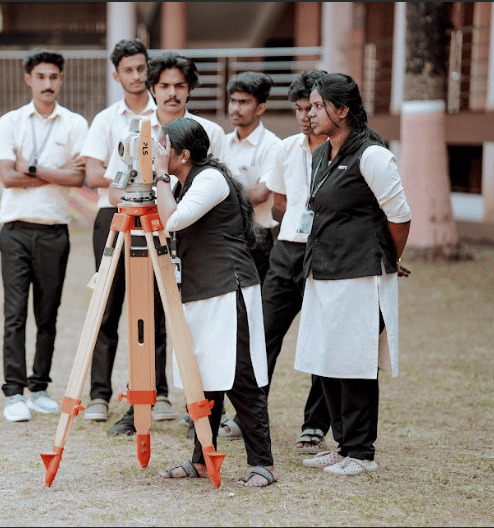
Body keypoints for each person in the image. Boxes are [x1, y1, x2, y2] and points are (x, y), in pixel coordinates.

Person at [104, 51, 226, 436]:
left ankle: (201, 408)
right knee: (143, 321)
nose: (172, 93)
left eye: (179, 86)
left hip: (194, 242)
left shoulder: (210, 132)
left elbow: (219, 188)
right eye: (164, 86)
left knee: (197, 326)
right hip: (145, 238)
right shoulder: (136, 131)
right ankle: (142, 403)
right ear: (152, 88)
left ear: (190, 90)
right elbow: (112, 190)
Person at [295, 73, 411, 475]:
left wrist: (387, 259)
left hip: (359, 274)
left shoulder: (373, 155)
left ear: (342, 110)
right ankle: (343, 444)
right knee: (325, 358)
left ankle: (361, 453)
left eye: (317, 106)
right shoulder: (319, 154)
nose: (309, 114)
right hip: (321, 270)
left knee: (356, 362)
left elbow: (399, 217)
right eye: (308, 106)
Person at [153, 118, 277, 487]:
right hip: (202, 290)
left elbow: (171, 220)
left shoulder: (209, 179)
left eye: (164, 146)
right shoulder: (187, 180)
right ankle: (203, 459)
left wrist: (159, 175)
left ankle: (264, 464)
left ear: (184, 154)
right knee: (204, 376)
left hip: (229, 289)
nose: (158, 152)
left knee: (241, 377)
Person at [79, 38, 173, 426]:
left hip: (156, 216)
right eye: (129, 70)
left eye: (141, 68)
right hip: (113, 216)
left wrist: (129, 175)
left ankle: (159, 392)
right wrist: (130, 177)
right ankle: (99, 395)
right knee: (107, 304)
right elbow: (91, 174)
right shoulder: (105, 119)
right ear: (116, 75)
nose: (137, 76)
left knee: (157, 305)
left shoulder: (165, 114)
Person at [0, 49, 88, 422]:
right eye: (41, 76)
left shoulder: (74, 124)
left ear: (61, 80)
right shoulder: (11, 121)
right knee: (14, 314)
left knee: (47, 314)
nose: (48, 83)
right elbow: (7, 177)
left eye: (54, 77)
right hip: (15, 231)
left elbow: (79, 178)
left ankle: (39, 387)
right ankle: (14, 392)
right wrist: (53, 171)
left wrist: (30, 166)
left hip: (53, 233)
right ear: (28, 79)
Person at [260, 70, 333, 454]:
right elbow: (281, 201)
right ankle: (250, 415)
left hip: (325, 252)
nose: (306, 115)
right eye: (300, 108)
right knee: (264, 335)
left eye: (313, 107)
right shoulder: (286, 149)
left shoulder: (342, 150)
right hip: (286, 250)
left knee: (321, 341)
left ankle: (315, 425)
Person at [220, 72, 282, 285]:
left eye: (244, 102)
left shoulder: (273, 146)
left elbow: (259, 195)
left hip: (256, 238)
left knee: (255, 309)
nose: (235, 108)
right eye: (233, 101)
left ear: (260, 108)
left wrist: (219, 191)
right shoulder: (221, 142)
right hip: (222, 235)